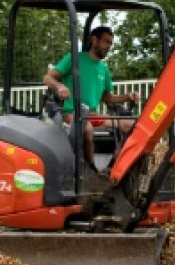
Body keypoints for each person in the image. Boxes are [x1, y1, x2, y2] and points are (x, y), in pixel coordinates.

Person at [43, 25, 140, 166]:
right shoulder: (74, 59)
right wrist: (60, 86)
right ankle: (90, 169)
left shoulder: (103, 69)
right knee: (86, 128)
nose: (109, 46)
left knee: (133, 126)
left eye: (111, 43)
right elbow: (47, 78)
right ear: (94, 40)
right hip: (72, 114)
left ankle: (115, 167)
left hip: (93, 115)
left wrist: (128, 96)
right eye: (106, 42)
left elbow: (108, 98)